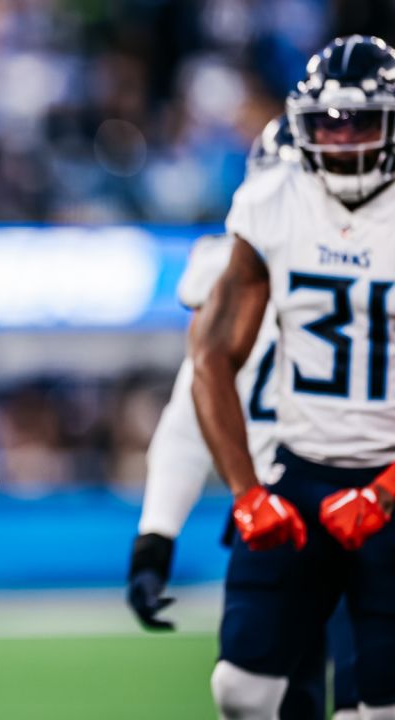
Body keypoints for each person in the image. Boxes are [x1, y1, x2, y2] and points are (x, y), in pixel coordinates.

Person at [192, 36, 395, 720]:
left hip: (392, 471)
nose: (341, 140)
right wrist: (248, 493)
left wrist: (390, 490)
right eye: (326, 122)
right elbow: (212, 355)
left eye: (361, 121)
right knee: (240, 690)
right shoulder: (275, 197)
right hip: (303, 470)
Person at [129, 115, 358, 719]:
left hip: (364, 503)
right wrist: (155, 538)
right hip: (273, 512)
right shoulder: (233, 285)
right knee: (258, 693)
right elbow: (188, 416)